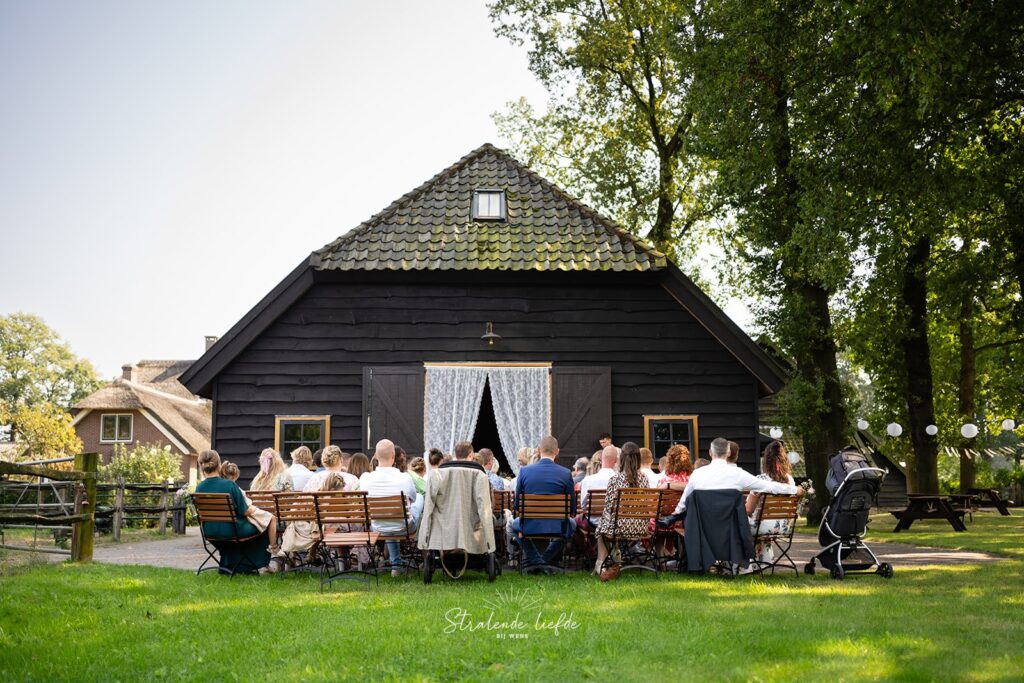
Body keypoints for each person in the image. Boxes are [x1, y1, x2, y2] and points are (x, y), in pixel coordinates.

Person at [659, 438, 804, 524]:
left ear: (710, 453)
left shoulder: (697, 474)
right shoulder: (738, 474)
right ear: (728, 453)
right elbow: (768, 486)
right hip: (729, 526)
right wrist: (794, 489)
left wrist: (675, 514)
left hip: (703, 525)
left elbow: (685, 499)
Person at [194, 450, 271, 574]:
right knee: (264, 524)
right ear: (219, 465)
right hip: (232, 530)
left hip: (209, 531)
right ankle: (251, 565)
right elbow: (244, 511)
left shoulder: (199, 488)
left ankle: (232, 564)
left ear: (201, 465)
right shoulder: (229, 485)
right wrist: (260, 511)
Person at [510, 436, 576, 572]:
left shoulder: (524, 471)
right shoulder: (566, 473)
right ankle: (544, 561)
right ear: (557, 451)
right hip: (557, 525)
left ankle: (537, 562)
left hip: (529, 524)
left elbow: (517, 505)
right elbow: (572, 508)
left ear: (539, 450)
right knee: (573, 524)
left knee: (513, 525)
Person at [359, 439, 424, 575]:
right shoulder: (405, 478)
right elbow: (413, 499)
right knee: (420, 498)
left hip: (378, 526)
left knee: (389, 518)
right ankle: (423, 554)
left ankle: (396, 565)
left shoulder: (365, 478)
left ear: (376, 455)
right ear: (393, 455)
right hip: (405, 526)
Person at [595, 442, 652, 581]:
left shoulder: (615, 479)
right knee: (605, 525)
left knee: (602, 528)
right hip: (640, 528)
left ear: (621, 459)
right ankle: (611, 560)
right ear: (638, 458)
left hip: (619, 528)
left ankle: (601, 563)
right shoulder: (644, 479)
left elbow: (608, 506)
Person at [745, 440, 797, 565]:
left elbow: (749, 510)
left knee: (740, 523)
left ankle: (745, 564)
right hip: (784, 526)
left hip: (762, 527)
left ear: (765, 460)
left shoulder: (760, 480)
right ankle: (765, 562)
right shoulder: (790, 480)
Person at [221, 460, 280, 557]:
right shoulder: (235, 488)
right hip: (241, 520)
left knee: (264, 522)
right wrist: (255, 509)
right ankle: (273, 547)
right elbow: (246, 510)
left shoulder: (222, 488)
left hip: (227, 523)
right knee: (271, 519)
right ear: (234, 476)